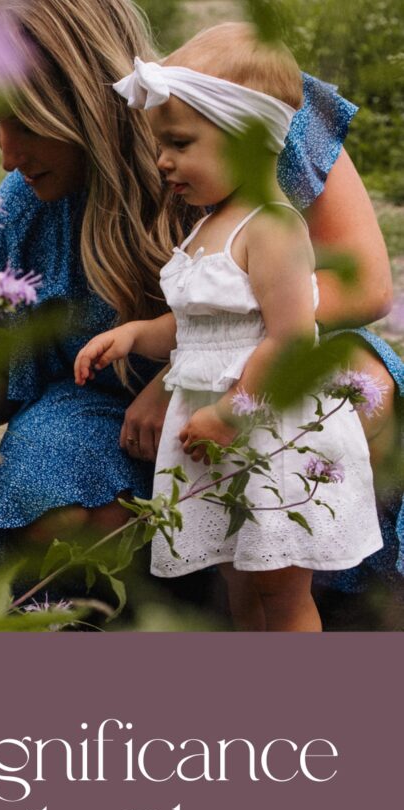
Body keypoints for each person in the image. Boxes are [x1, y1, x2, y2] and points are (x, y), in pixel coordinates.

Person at [0, 0, 401, 613]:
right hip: (111, 415)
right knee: (47, 500)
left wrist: (182, 374)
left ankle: (304, 580)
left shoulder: (240, 109)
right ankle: (199, 589)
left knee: (364, 393)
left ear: (82, 103)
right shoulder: (22, 206)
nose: (6, 154)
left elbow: (368, 285)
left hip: (266, 367)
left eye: (25, 124)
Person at [74, 22, 383, 631]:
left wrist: (230, 412)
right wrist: (137, 335)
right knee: (239, 586)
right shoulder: (208, 224)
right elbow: (198, 326)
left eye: (180, 143)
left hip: (265, 433)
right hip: (217, 436)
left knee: (281, 592)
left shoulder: (272, 227)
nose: (162, 160)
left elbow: (289, 339)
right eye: (161, 143)